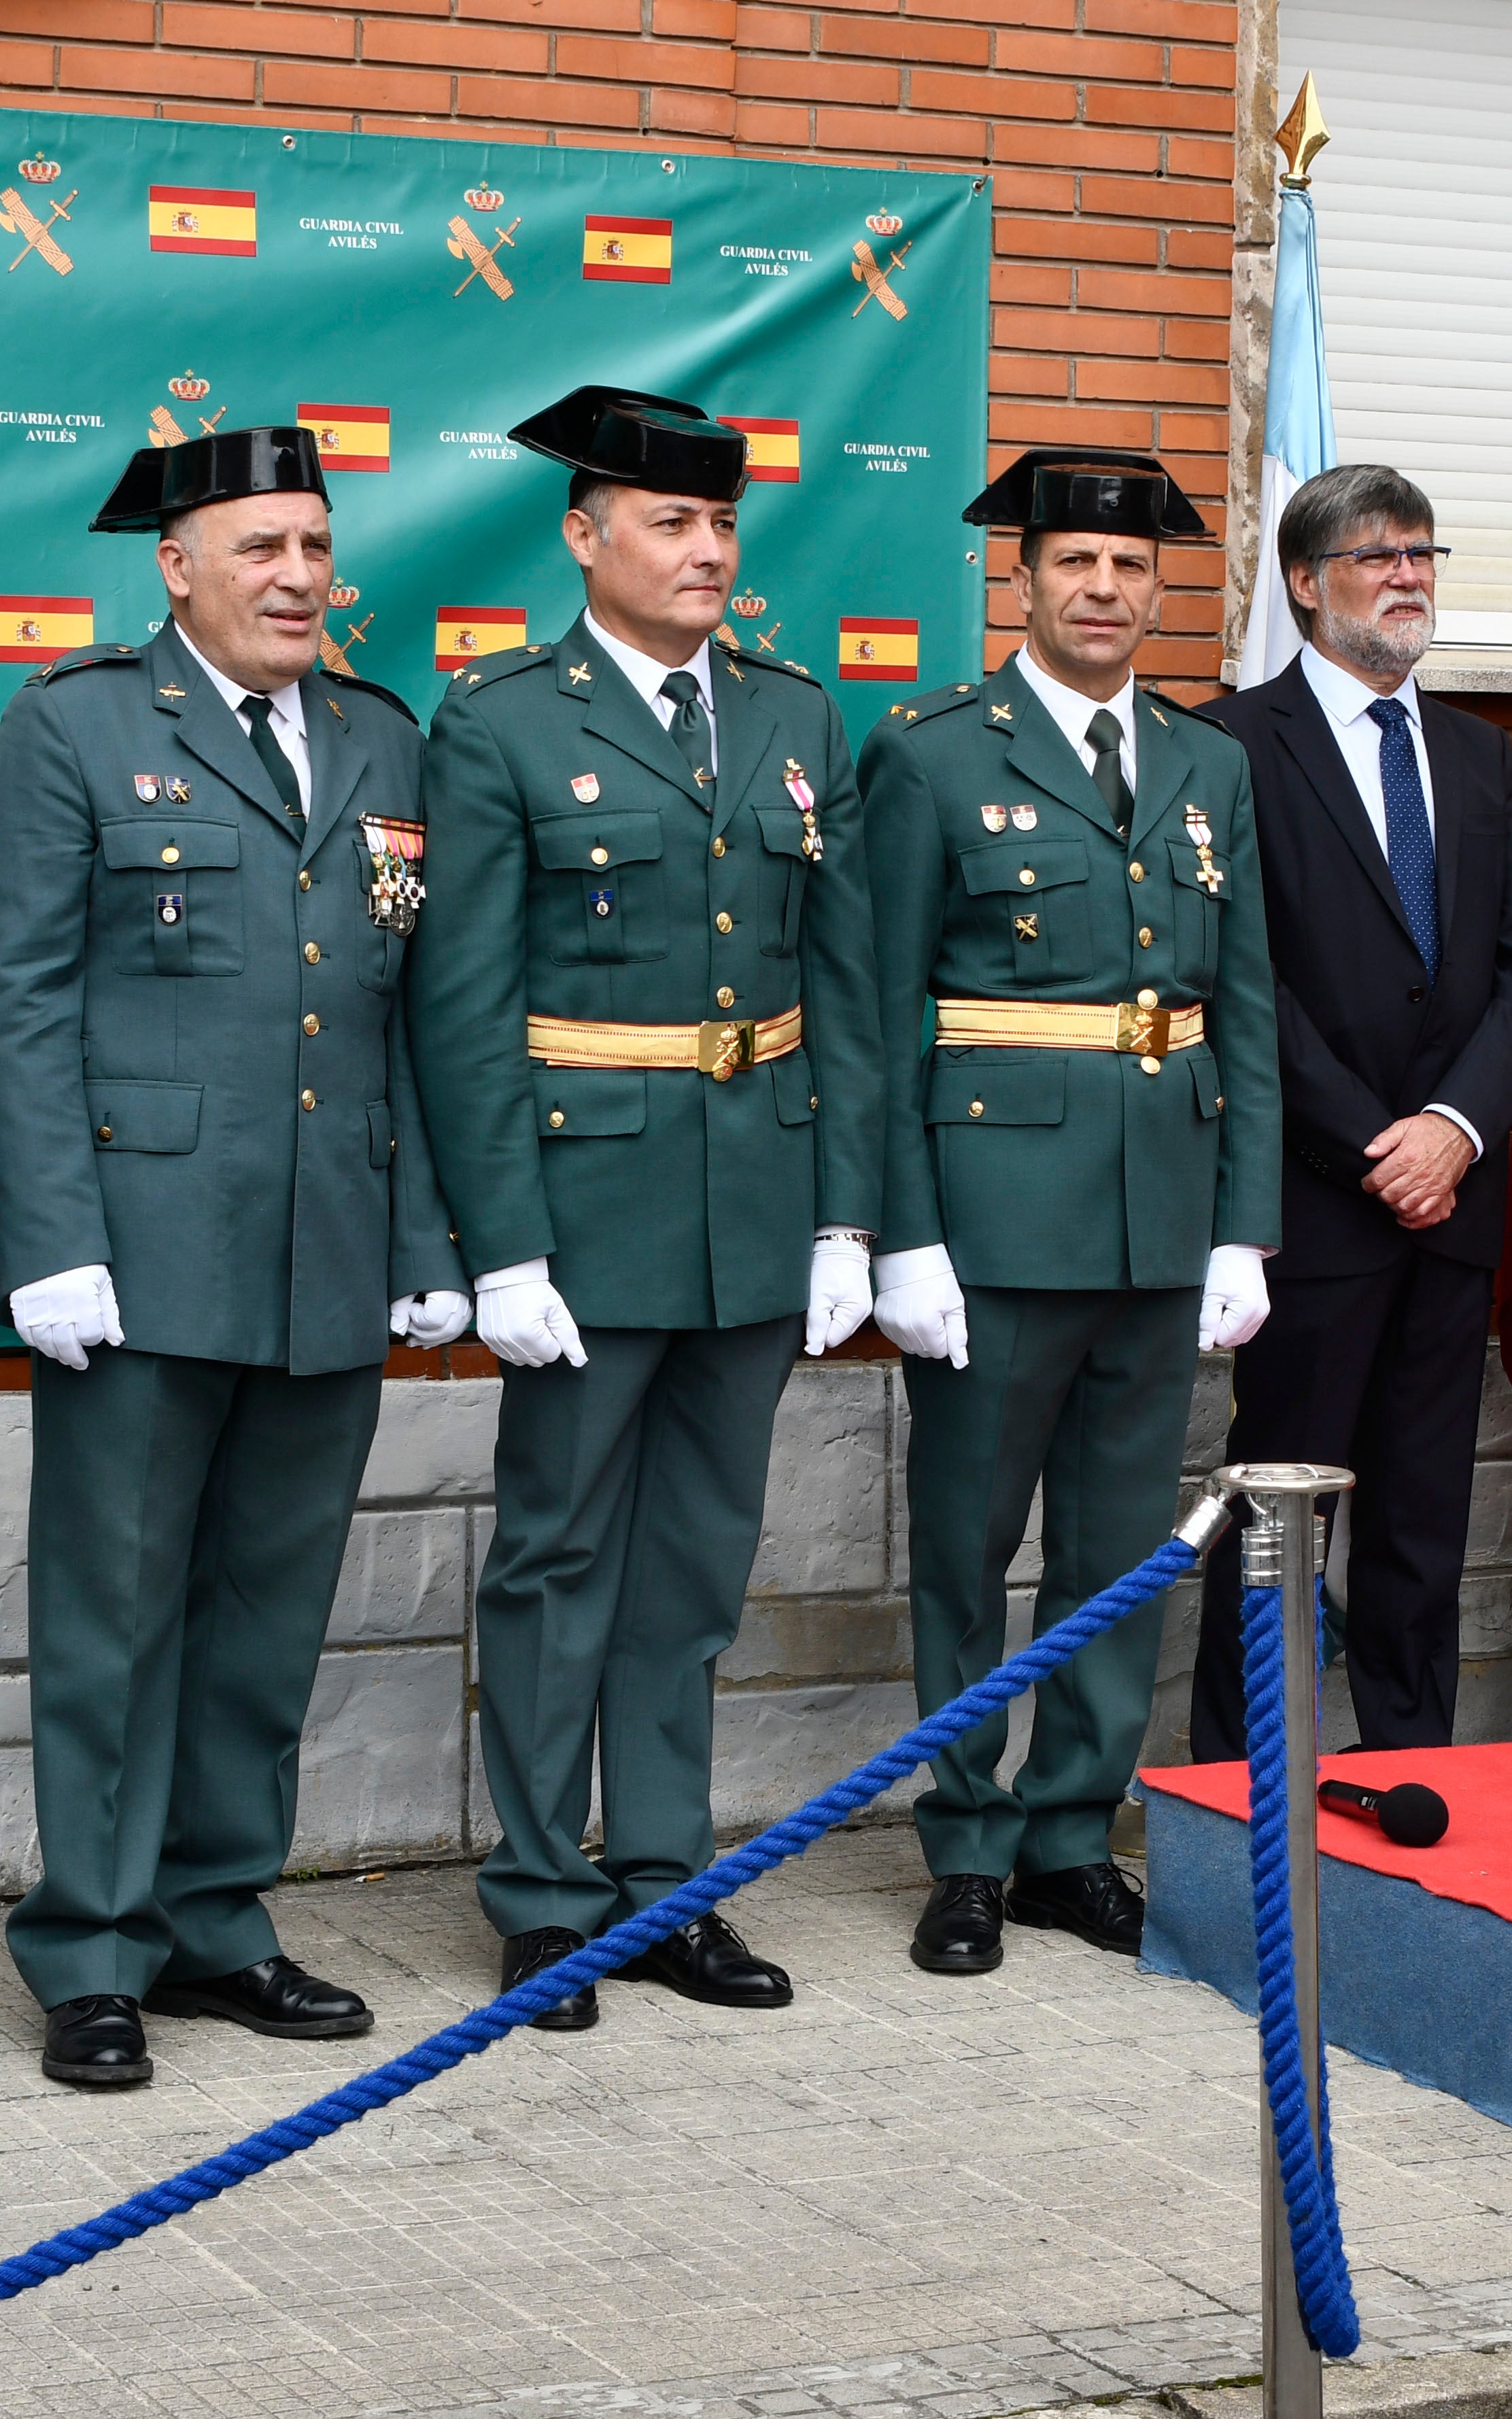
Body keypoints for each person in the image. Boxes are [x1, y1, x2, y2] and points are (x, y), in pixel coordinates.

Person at [0, 426, 470, 2089]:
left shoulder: (383, 740)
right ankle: (93, 1948)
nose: (300, 577)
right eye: (262, 549)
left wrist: (424, 1237)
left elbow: (411, 1016)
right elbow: (13, 999)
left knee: (264, 1612)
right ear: (178, 566)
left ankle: (217, 1919)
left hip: (327, 1245)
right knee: (114, 1615)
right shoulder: (78, 724)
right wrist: (46, 1239)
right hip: (140, 1249)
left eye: (315, 546)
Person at [410, 386, 884, 2027]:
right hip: (585, 1205)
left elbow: (845, 984)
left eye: (723, 526)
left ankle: (663, 1883)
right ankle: (546, 1899)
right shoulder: (500, 724)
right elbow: (460, 1008)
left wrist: (847, 1215)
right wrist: (503, 1244)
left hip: (752, 1194)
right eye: (672, 524)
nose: (705, 552)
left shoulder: (798, 718)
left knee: (693, 1564)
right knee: (556, 1562)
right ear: (584, 535)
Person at [861, 450, 1279, 1972]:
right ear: (1022, 581)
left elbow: (1243, 1002)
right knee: (968, 1548)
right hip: (993, 1214)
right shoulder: (929, 753)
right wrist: (900, 1231)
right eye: (1075, 565)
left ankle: (1066, 1834)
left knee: (1120, 1550)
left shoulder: (1205, 762)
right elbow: (879, 1008)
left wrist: (1245, 1223)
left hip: (1161, 1212)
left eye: (1131, 567)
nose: (1105, 588)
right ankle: (966, 1844)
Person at [1186, 462, 1512, 1762]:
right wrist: (1372, 1144)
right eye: (1377, 554)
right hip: (1315, 1205)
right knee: (1280, 1520)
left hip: (1451, 1210)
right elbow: (1240, 983)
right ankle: (1239, 1792)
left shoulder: (1475, 751)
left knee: (1423, 1522)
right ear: (1304, 583)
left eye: (1423, 552)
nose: (1410, 575)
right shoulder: (1228, 744)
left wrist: (1454, 1128)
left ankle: (1418, 1773)